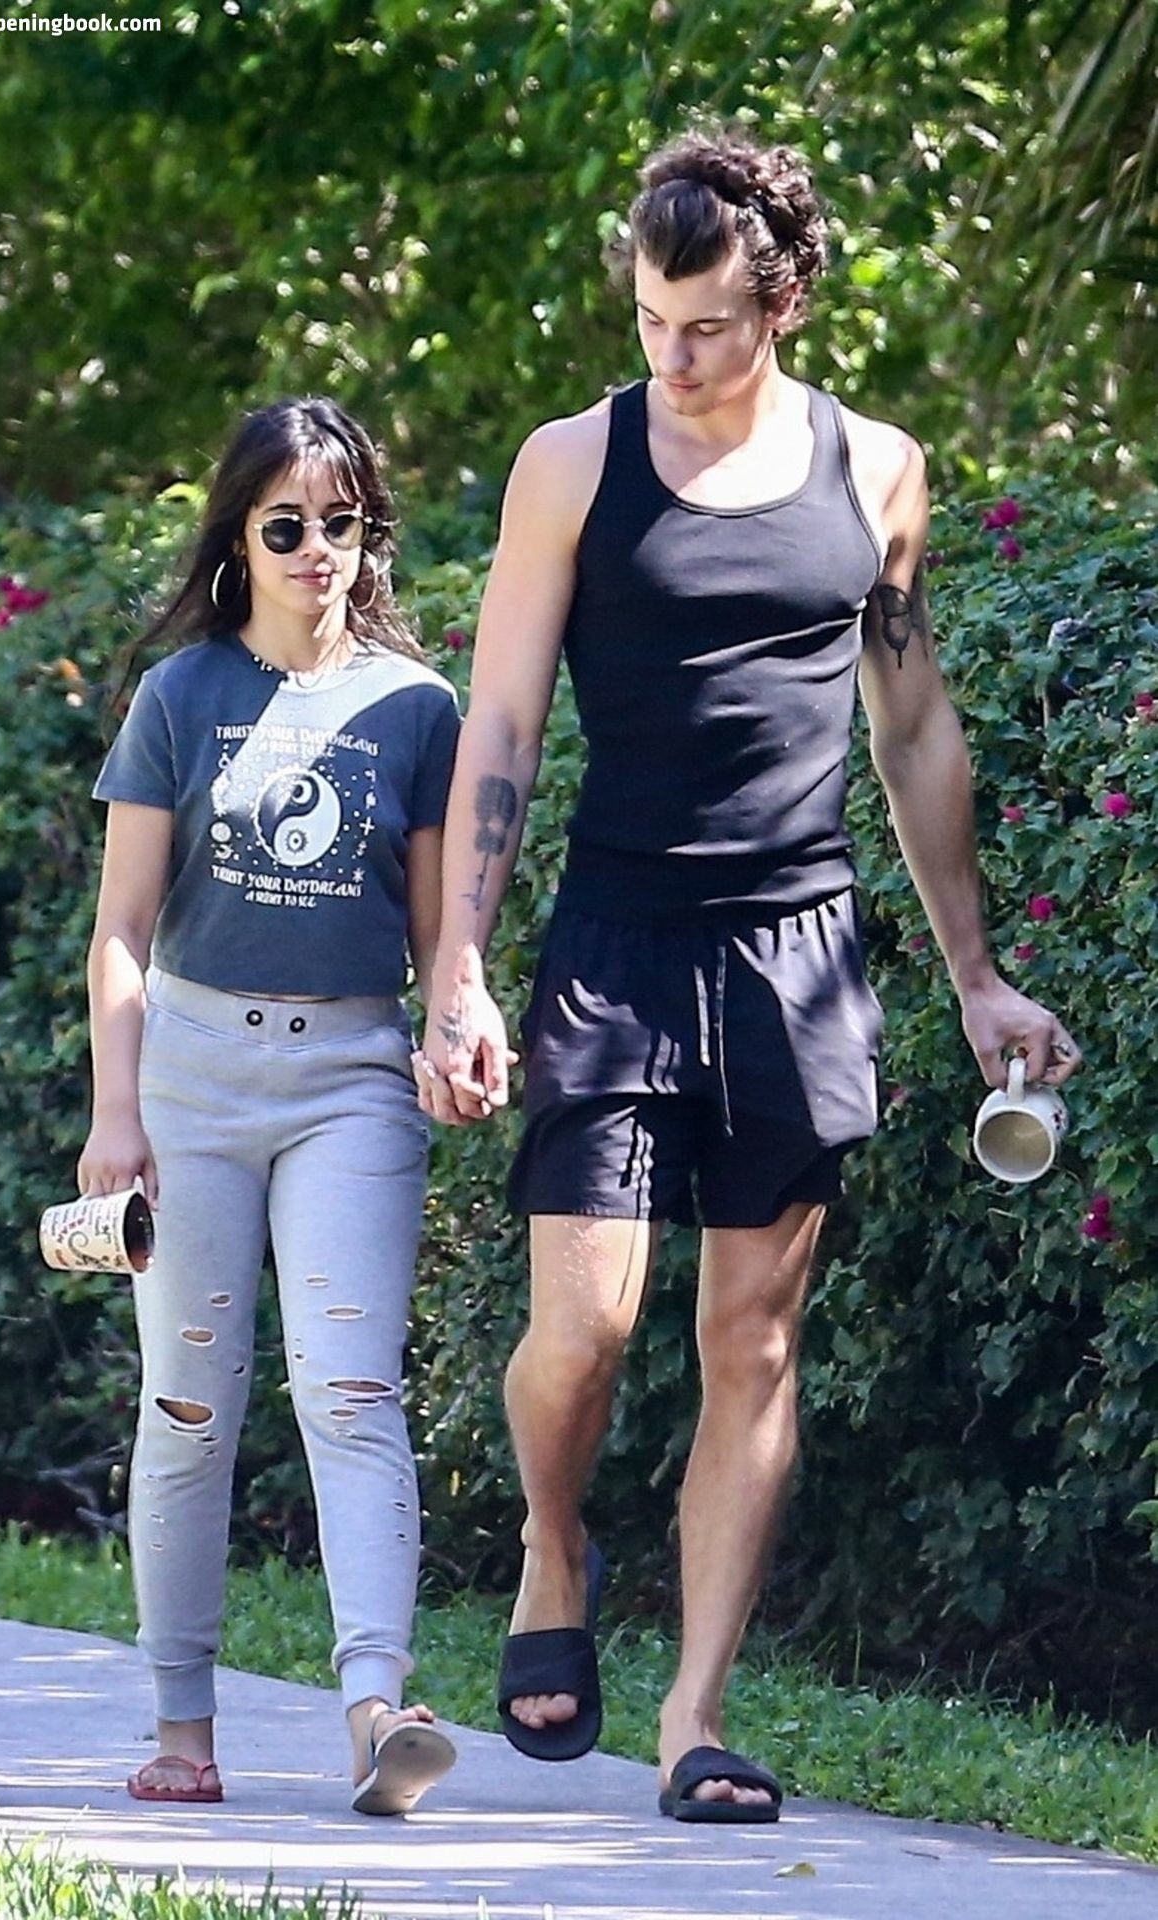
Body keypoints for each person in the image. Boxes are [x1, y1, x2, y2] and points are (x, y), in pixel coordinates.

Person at [415, 127, 1081, 1823]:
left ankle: (695, 1716)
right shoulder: (573, 463)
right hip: (613, 945)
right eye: (651, 320)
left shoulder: (877, 472)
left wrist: (979, 977)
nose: (674, 354)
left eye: (706, 324)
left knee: (753, 1341)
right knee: (583, 1328)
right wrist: (461, 967)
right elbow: (503, 720)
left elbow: (911, 727)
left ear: (781, 301)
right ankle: (552, 1546)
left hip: (798, 956)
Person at [80, 397, 459, 1815]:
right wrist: (116, 1114)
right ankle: (183, 1728)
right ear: (240, 537)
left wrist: (459, 1023)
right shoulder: (181, 696)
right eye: (285, 525)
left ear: (370, 535)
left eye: (340, 524)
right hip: (189, 1077)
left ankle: (376, 1714)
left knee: (353, 1392)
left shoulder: (417, 708)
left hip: (350, 1077)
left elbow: (441, 933)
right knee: (188, 1406)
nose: (316, 551)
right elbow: (121, 930)